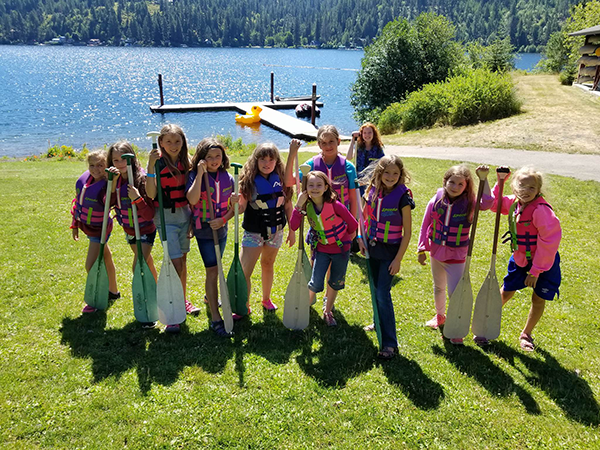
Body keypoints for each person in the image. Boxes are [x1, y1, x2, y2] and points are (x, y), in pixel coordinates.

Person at [417, 164, 492, 345]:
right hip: (436, 252)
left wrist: (485, 178)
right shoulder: (436, 199)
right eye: (452, 182)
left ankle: (456, 326)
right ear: (445, 181)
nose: (455, 187)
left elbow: (488, 202)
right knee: (438, 288)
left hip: (457, 255)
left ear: (466, 187)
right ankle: (440, 316)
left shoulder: (470, 202)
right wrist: (421, 248)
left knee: (456, 293)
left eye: (460, 184)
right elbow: (426, 222)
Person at [285, 125, 359, 306]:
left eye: (331, 142)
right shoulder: (310, 165)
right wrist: (292, 154)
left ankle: (328, 299)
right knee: (317, 262)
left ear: (338, 142)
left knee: (334, 266)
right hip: (318, 226)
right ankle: (312, 296)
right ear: (318, 144)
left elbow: (353, 199)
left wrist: (354, 229)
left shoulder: (348, 167)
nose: (328, 146)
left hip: (340, 226)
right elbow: (288, 181)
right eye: (324, 142)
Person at [492, 166, 561, 351]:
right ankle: (486, 322)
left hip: (543, 263)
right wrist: (500, 182)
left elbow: (549, 243)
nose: (526, 191)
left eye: (532, 188)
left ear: (538, 190)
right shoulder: (514, 202)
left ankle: (526, 333)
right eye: (522, 186)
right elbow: (494, 204)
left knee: (538, 298)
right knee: (506, 291)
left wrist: (535, 271)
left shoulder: (541, 211)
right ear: (514, 186)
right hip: (521, 259)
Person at [358, 155, 414, 359]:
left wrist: (398, 259)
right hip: (372, 247)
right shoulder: (371, 191)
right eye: (387, 173)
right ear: (379, 174)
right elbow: (362, 219)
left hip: (390, 251)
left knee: (383, 291)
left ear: (400, 175)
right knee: (375, 289)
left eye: (395, 173)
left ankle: (389, 343)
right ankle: (377, 321)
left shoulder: (403, 197)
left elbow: (407, 233)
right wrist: (360, 239)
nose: (390, 177)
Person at [146, 124, 198, 334]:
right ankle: (172, 307)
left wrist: (194, 219)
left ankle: (182, 300)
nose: (173, 145)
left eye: (177, 141)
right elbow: (150, 194)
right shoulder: (157, 162)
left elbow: (193, 193)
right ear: (160, 143)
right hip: (165, 217)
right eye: (168, 141)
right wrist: (150, 167)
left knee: (182, 261)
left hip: (185, 214)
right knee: (175, 262)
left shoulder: (188, 162)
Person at [290, 170, 358, 326]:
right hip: (321, 250)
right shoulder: (307, 206)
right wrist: (299, 204)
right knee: (315, 282)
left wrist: (346, 239)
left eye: (319, 185)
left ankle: (328, 311)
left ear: (327, 187)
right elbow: (294, 226)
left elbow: (353, 224)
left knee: (335, 282)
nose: (315, 188)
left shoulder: (335, 205)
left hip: (341, 250)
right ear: (306, 188)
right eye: (311, 185)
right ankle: (304, 307)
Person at [186, 138, 236, 337]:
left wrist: (224, 219)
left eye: (218, 156)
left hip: (221, 229)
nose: (214, 160)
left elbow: (235, 210)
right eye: (209, 157)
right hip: (204, 231)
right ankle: (216, 317)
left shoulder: (228, 178)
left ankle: (210, 296)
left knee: (217, 266)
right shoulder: (193, 175)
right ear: (201, 159)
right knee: (213, 270)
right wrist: (199, 173)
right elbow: (192, 199)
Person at [238, 143, 295, 313]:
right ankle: (243, 304)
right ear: (255, 161)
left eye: (271, 159)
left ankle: (266, 299)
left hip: (276, 231)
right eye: (262, 159)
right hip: (254, 232)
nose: (266, 163)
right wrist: (234, 201)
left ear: (277, 162)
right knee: (245, 270)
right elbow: (241, 208)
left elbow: (288, 207)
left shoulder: (282, 181)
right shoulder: (248, 182)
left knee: (268, 263)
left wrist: (292, 231)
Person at [107, 141, 158, 328]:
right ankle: (158, 290)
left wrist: (137, 198)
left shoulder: (141, 180)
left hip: (145, 230)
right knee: (146, 260)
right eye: (115, 160)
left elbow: (149, 213)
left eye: (123, 160)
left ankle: (148, 307)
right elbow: (110, 202)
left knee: (139, 265)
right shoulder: (115, 179)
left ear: (132, 159)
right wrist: (111, 185)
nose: (120, 164)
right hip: (129, 230)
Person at [70, 150, 119, 313]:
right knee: (105, 256)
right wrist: (75, 224)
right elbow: (78, 204)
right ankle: (113, 291)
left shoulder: (108, 183)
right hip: (88, 226)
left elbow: (109, 200)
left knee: (90, 265)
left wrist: (113, 182)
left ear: (107, 166)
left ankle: (96, 298)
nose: (96, 169)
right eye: (92, 165)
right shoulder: (85, 181)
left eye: (100, 165)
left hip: (101, 229)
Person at [347, 122, 385, 196]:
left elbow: (382, 164)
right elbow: (349, 157)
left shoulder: (377, 148)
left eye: (369, 132)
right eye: (365, 133)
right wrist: (353, 140)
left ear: (373, 134)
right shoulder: (359, 146)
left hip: (372, 181)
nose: (367, 135)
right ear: (361, 134)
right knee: (359, 203)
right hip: (359, 180)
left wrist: (369, 181)